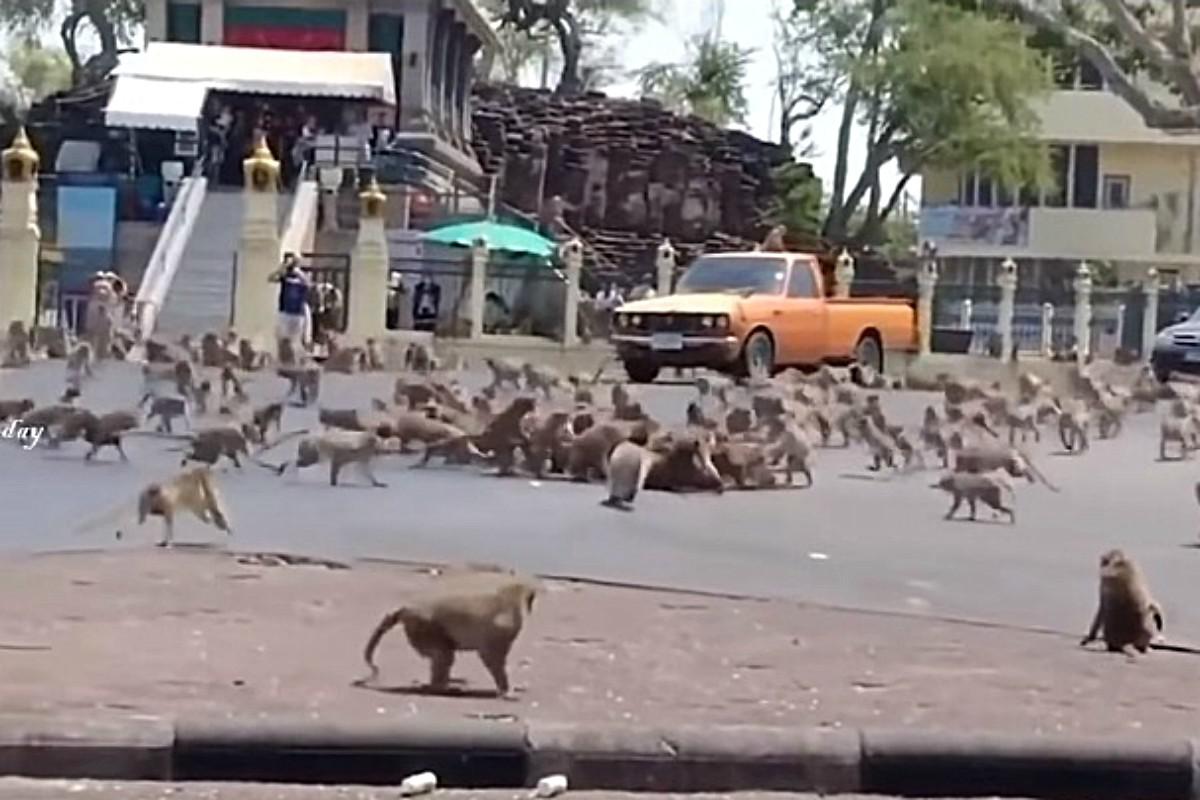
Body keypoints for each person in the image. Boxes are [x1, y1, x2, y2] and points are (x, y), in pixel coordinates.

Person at [269, 253, 310, 351]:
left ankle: (294, 359)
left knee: (295, 340)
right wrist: (282, 268)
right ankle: (282, 357)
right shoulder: (285, 277)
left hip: (298, 313)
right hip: (284, 312)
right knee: (282, 338)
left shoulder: (302, 277)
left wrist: (297, 271)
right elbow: (271, 278)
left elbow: (308, 283)